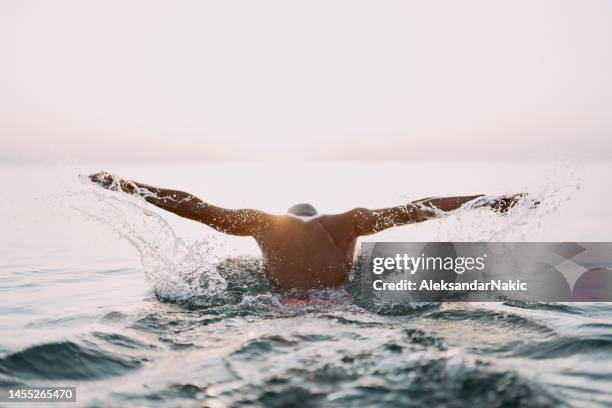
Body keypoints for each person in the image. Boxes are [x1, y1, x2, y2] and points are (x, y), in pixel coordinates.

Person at [89, 172, 531, 292]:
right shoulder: (348, 223)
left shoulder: (265, 226)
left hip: (274, 305)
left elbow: (197, 208)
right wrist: (490, 201)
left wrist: (130, 188)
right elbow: (420, 210)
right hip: (339, 304)